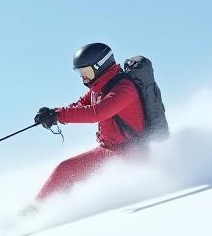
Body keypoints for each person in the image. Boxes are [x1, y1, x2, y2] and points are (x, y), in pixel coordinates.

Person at [33, 42, 146, 201]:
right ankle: (38, 210)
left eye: (85, 71)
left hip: (130, 152)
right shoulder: (99, 87)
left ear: (100, 65)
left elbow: (97, 113)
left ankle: (44, 212)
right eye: (79, 72)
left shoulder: (123, 88)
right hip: (111, 150)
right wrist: (52, 113)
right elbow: (80, 105)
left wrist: (59, 115)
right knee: (64, 170)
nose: (83, 76)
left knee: (70, 173)